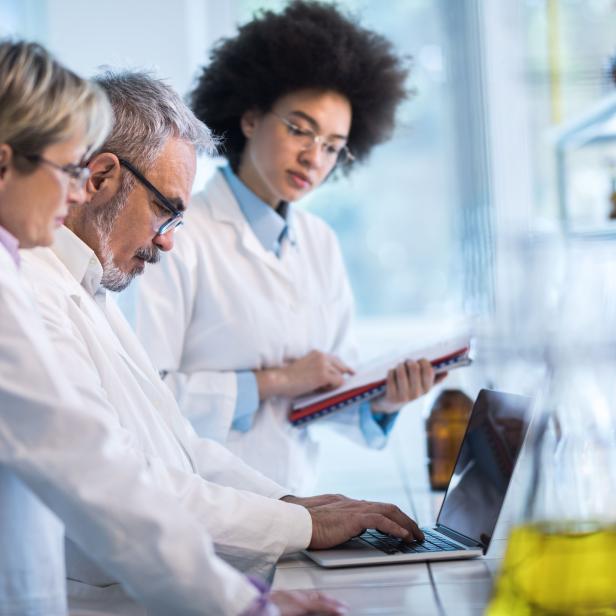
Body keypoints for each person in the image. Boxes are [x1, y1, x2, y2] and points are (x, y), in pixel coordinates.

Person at [19, 68, 425, 610]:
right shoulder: (33, 288)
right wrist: (278, 552)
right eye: (166, 210)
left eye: (332, 146)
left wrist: (294, 505)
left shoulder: (89, 285)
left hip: (206, 547)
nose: (167, 244)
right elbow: (117, 485)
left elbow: (180, 446)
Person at [132, 0, 444, 493]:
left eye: (331, 145)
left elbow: (324, 392)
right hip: (203, 512)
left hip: (298, 507)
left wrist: (383, 400)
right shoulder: (175, 233)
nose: (312, 157)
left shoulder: (319, 244)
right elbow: (143, 397)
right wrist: (274, 381)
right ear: (252, 117)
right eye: (300, 128)